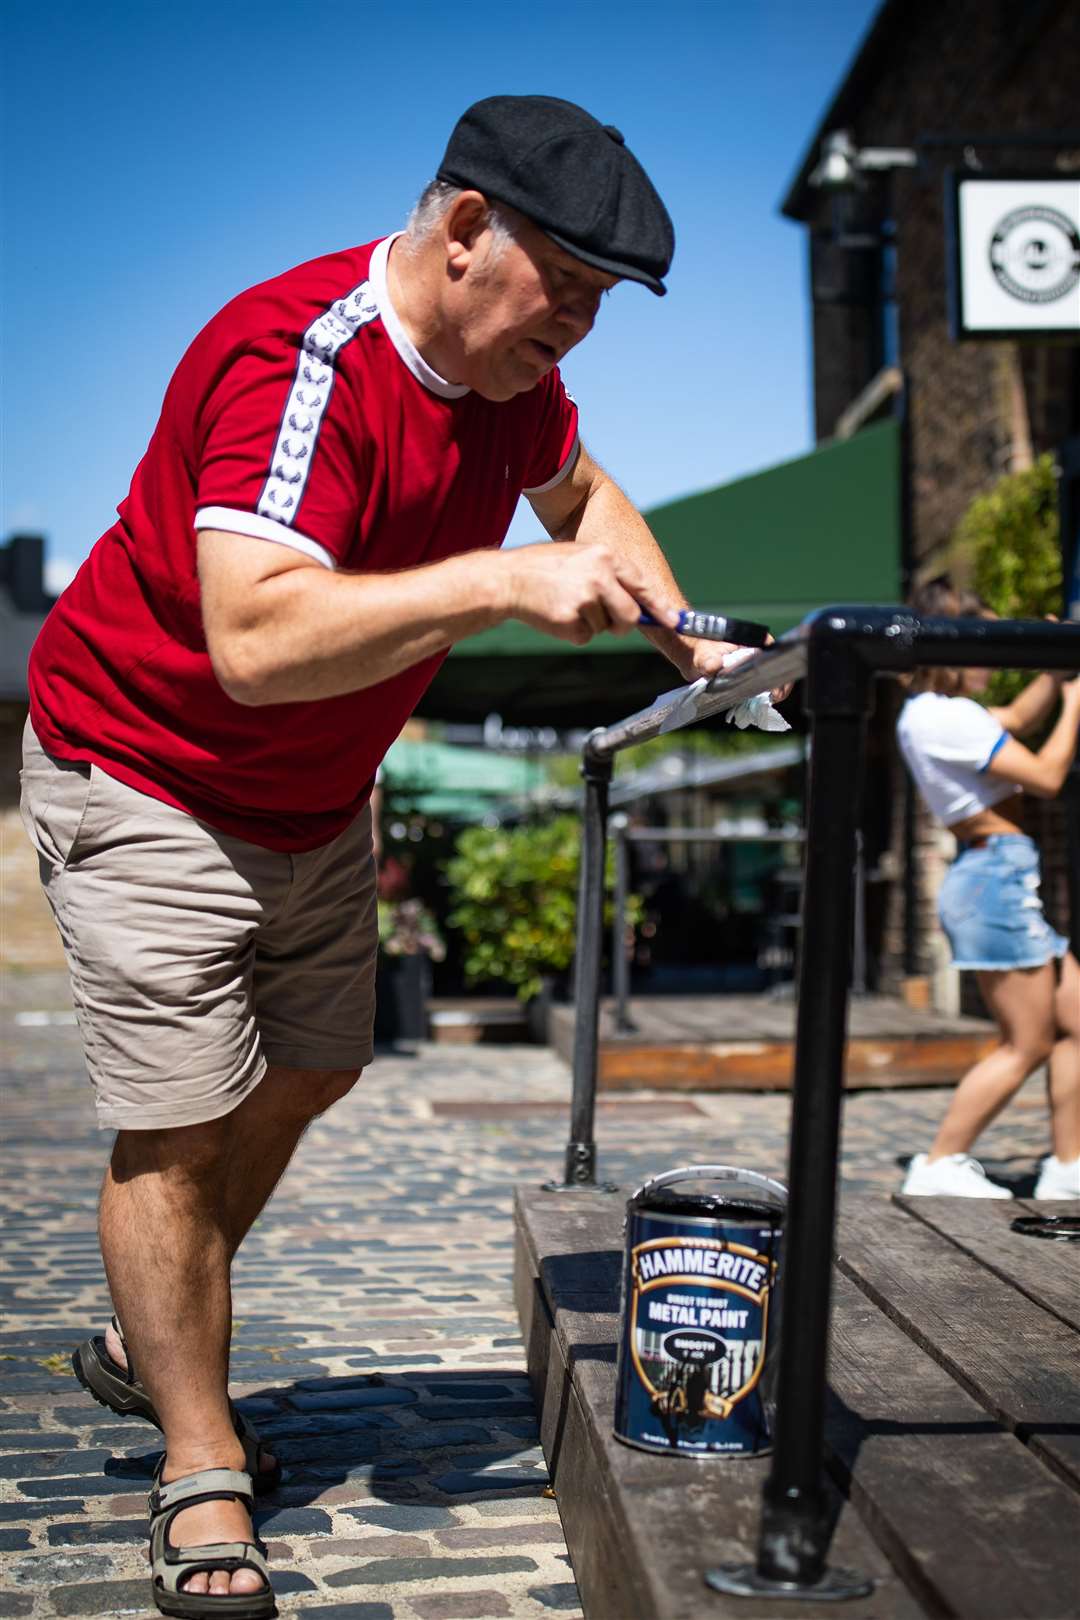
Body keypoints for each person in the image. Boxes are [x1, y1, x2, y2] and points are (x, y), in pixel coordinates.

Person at [21, 96, 778, 1616]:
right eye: (562, 284)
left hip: (314, 797)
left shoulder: (515, 384)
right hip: (149, 769)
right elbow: (251, 638)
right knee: (174, 1129)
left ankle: (152, 1317)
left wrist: (680, 633)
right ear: (462, 230)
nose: (577, 325)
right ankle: (196, 1456)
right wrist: (504, 579)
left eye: (602, 305)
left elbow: (588, 497)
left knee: (313, 1066)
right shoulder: (294, 361)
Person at [896, 578, 1080, 1200]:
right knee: (1025, 1043)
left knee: (1077, 1019)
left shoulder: (933, 714)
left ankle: (1068, 1166)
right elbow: (1049, 776)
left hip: (999, 875)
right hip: (995, 879)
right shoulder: (947, 718)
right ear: (953, 648)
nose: (995, 659)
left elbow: (1024, 717)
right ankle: (940, 1163)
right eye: (987, 643)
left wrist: (1057, 668)